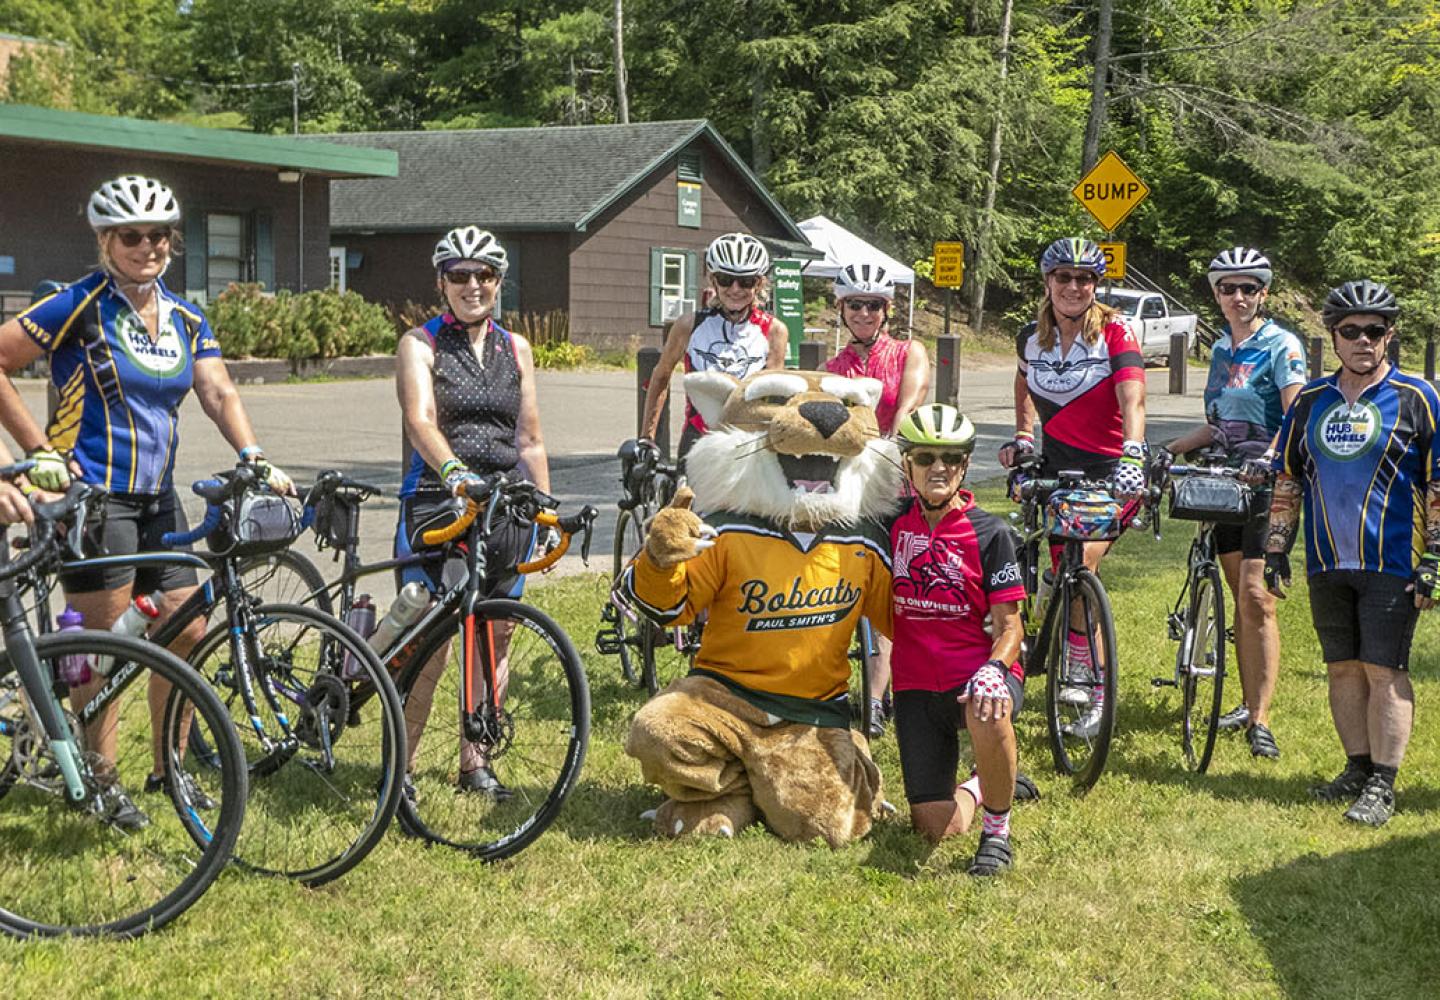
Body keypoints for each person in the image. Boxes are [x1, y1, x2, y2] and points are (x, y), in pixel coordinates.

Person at [0, 174, 292, 830]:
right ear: (106, 241)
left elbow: (217, 392)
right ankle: (99, 784)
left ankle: (170, 765)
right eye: (131, 235)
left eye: (159, 235)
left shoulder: (186, 316)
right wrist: (38, 448)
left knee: (185, 626)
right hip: (95, 499)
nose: (147, 246)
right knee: (100, 653)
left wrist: (253, 456)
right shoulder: (79, 305)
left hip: (158, 497)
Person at [1265, 279, 1440, 827]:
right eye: (1351, 330)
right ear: (1332, 337)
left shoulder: (1418, 397)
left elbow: (1439, 485)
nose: (1363, 340)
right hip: (1325, 559)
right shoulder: (1312, 402)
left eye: (1375, 330)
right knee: (1341, 668)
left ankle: (1383, 785)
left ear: (1390, 336)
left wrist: (1434, 557)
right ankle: (1357, 767)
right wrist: (1276, 549)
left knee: (1383, 669)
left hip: (1392, 561)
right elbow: (1287, 480)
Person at [394, 225, 551, 802]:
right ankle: (401, 769)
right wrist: (455, 474)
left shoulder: (517, 348)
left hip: (505, 504)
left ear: (499, 282)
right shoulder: (421, 343)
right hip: (440, 501)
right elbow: (421, 420)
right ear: (442, 282)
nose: (472, 285)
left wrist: (544, 509)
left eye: (484, 275)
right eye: (459, 275)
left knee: (498, 633)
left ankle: (475, 763)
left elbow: (529, 438)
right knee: (429, 642)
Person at [998, 237, 1147, 738]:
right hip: (1056, 469)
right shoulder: (1030, 338)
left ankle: (1090, 683)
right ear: (1048, 283)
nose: (1074, 286)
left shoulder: (1115, 332)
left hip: (1111, 470)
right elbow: (1022, 387)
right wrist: (1022, 436)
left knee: (1083, 564)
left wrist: (1134, 451)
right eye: (1063, 277)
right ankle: (1041, 614)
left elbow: (1133, 397)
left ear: (1096, 286)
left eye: (1084, 278)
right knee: (1055, 564)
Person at [1160, 248, 1305, 759]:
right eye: (1227, 288)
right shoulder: (1221, 349)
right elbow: (1218, 424)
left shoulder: (1281, 345)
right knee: (1237, 595)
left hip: (1269, 483)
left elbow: (1295, 416)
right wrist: (1170, 449)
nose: (1237, 297)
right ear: (1216, 295)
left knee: (1256, 596)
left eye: (1248, 288)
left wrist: (1269, 456)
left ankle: (1260, 719)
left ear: (1263, 293)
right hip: (1223, 481)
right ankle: (1246, 701)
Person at [889, 404, 1026, 875]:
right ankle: (981, 783)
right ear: (907, 464)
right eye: (925, 457)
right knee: (934, 826)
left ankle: (998, 831)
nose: (938, 468)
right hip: (914, 685)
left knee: (986, 708)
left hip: (976, 676)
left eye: (950, 457)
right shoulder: (890, 524)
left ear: (965, 464)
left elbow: (1011, 627)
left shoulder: (990, 533)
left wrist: (995, 669)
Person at [825, 261, 930, 737]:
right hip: (848, 489)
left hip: (897, 484)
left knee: (894, 587)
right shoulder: (831, 368)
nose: (864, 313)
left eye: (872, 305)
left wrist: (887, 440)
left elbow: (909, 402)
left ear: (887, 310)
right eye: (855, 305)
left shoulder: (910, 352)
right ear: (841, 309)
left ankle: (875, 699)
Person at [639, 232, 788, 462]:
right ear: (713, 279)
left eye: (746, 281)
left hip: (749, 444)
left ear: (759, 283)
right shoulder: (689, 325)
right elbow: (661, 376)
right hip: (698, 439)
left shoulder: (774, 331)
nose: (735, 289)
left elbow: (771, 398)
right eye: (726, 279)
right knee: (684, 496)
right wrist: (647, 439)